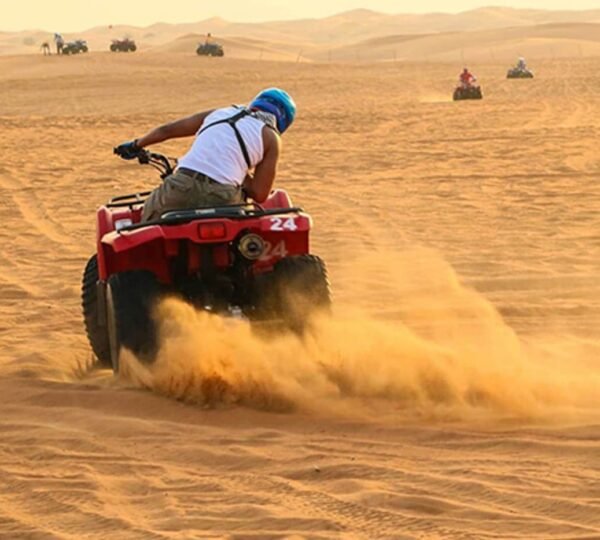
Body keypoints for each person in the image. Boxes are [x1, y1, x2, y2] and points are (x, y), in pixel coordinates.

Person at [114, 88, 296, 222]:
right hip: (224, 198)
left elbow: (166, 130)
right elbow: (260, 194)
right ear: (283, 120)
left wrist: (136, 145)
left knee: (147, 222)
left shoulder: (220, 113)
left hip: (180, 188)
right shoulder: (271, 138)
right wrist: (239, 170)